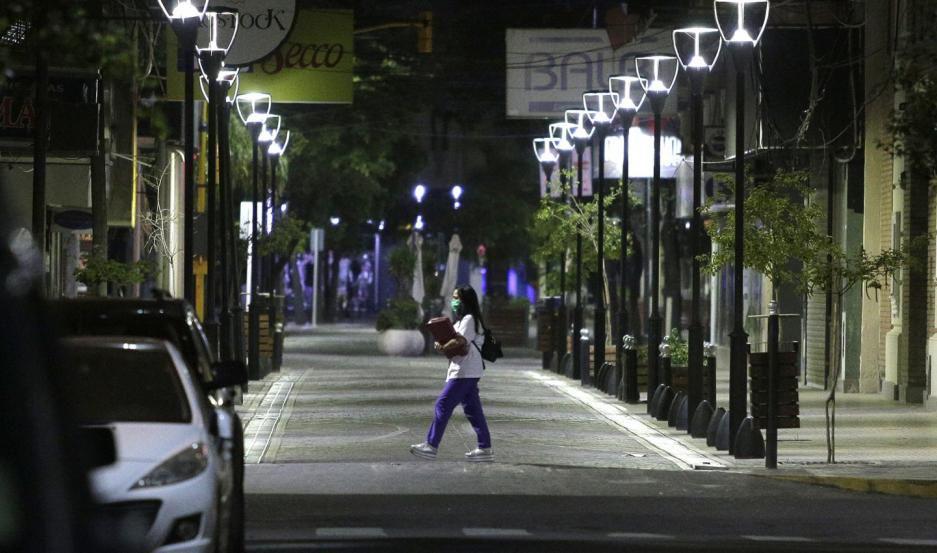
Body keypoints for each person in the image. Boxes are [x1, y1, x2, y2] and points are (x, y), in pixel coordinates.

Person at [410, 285, 493, 462]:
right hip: (466, 369)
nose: (453, 301)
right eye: (453, 297)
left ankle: (431, 446)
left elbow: (459, 340)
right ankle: (485, 448)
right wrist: (441, 344)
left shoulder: (470, 319)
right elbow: (451, 339)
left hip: (465, 371)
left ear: (465, 300)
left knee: (443, 404)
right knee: (473, 410)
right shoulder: (462, 320)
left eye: (457, 298)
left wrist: (443, 346)